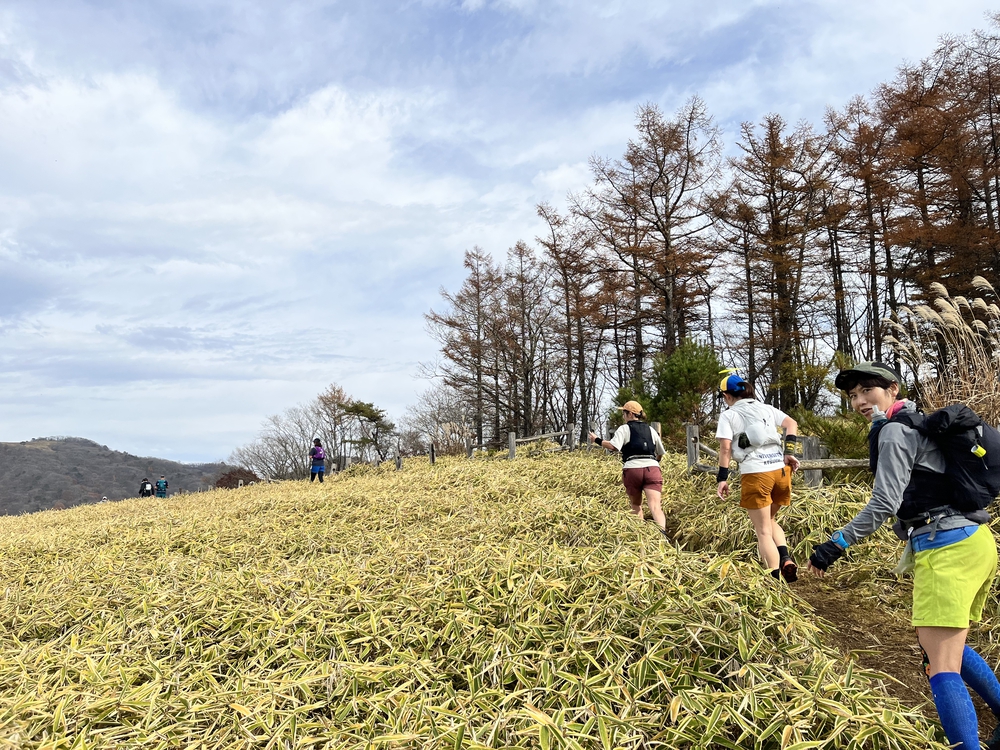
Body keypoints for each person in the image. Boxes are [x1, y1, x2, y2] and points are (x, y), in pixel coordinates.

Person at [808, 362, 1000, 750]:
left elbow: (884, 504)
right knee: (945, 646)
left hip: (946, 546)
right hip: (972, 541)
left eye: (868, 390)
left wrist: (835, 544)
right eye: (853, 395)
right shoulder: (917, 422)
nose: (860, 401)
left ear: (892, 389)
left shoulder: (895, 431)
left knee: (941, 666)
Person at [715, 372, 801, 581]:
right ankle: (785, 558)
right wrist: (789, 452)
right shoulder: (766, 408)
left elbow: (725, 448)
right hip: (781, 472)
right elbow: (792, 423)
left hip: (756, 473)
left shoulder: (729, 415)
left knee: (762, 531)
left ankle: (774, 581)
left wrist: (722, 478)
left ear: (727, 396)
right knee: (769, 519)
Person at [588, 401, 668, 536]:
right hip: (652, 469)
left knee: (636, 505)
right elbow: (660, 452)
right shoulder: (651, 430)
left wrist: (597, 440)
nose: (623, 416)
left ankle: (640, 536)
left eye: (624, 413)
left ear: (630, 414)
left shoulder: (624, 429)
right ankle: (662, 536)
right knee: (655, 506)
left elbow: (614, 446)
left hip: (633, 469)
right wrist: (655, 462)